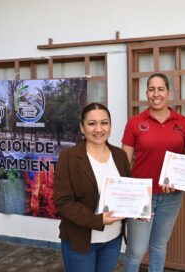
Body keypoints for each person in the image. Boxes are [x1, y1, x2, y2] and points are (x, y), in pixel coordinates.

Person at [122, 72, 185, 271]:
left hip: (172, 197)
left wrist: (181, 180)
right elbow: (124, 161)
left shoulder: (183, 122)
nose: (156, 94)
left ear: (168, 92)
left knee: (159, 246)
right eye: (152, 89)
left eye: (161, 89)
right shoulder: (135, 122)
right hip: (141, 197)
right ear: (146, 93)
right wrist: (122, 194)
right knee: (136, 250)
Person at [53, 102, 131, 272]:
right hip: (80, 241)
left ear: (110, 125)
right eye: (91, 123)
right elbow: (63, 202)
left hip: (113, 239)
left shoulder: (120, 155)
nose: (99, 129)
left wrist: (137, 209)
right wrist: (97, 220)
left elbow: (126, 191)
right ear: (82, 128)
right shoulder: (69, 157)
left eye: (104, 123)